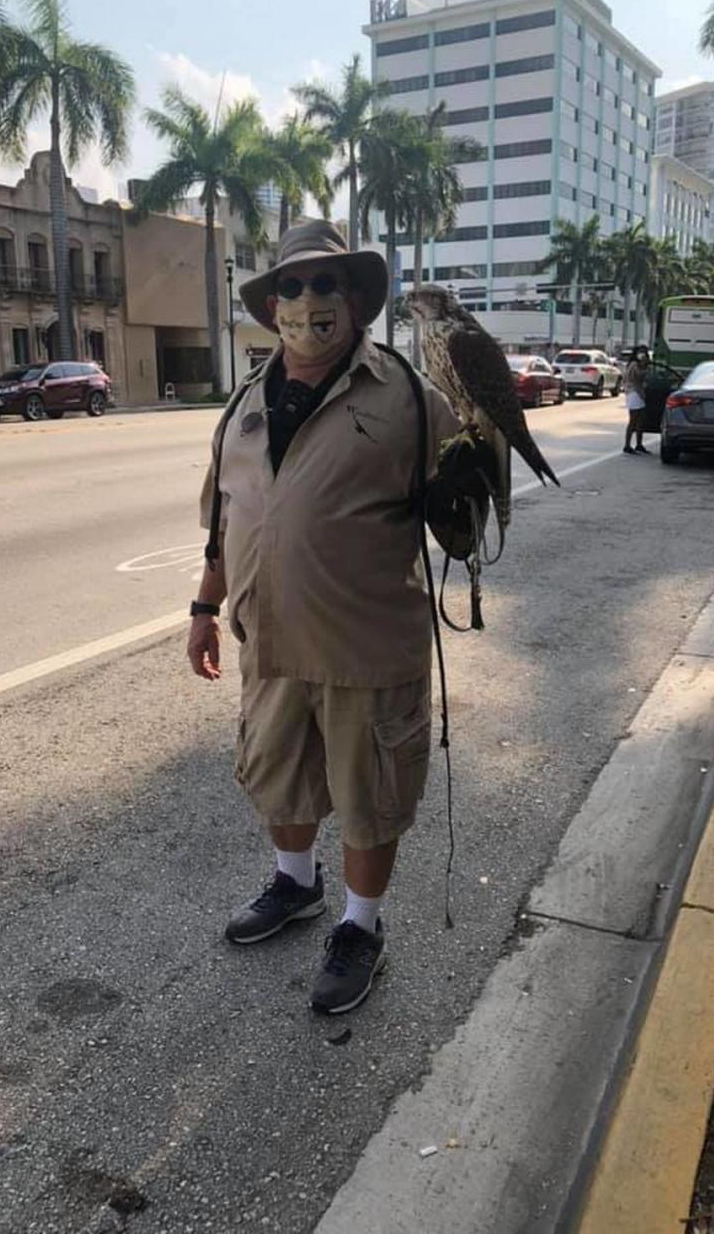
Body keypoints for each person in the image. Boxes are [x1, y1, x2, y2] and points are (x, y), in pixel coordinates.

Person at [188, 219, 458, 1015]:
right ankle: (296, 884)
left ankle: (360, 926)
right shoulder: (241, 406)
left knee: (370, 791)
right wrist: (205, 607)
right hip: (268, 643)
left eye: (328, 284)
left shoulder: (410, 395)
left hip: (366, 646)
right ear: (273, 306)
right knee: (280, 778)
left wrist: (472, 490)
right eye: (294, 287)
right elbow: (222, 524)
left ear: (357, 300)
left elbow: (464, 519)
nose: (310, 301)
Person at [623, 345, 650, 455]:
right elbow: (637, 376)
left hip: (639, 393)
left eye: (644, 352)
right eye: (640, 352)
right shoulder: (634, 364)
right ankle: (627, 445)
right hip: (633, 392)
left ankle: (639, 444)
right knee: (633, 420)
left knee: (640, 420)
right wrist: (644, 368)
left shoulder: (640, 364)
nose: (642, 354)